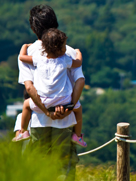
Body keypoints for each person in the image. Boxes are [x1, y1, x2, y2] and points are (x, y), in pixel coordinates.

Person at [18, 4, 85, 180]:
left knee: (38, 165)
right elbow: (80, 81)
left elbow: (29, 88)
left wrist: (47, 110)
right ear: (55, 23)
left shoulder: (32, 52)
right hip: (66, 118)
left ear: (33, 29)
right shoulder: (68, 51)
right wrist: (70, 107)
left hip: (39, 119)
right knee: (64, 167)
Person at [14, 28, 87, 148]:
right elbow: (78, 62)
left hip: (43, 102)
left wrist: (25, 46)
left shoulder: (39, 59)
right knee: (78, 109)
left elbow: (22, 57)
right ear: (59, 49)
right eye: (64, 46)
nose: (66, 49)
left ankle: (22, 131)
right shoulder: (64, 60)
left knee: (26, 105)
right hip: (64, 101)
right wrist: (78, 52)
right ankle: (78, 136)